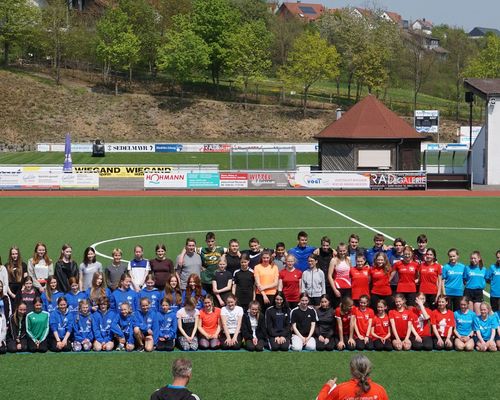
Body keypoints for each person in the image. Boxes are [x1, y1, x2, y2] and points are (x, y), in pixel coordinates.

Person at [316, 355, 389, 400]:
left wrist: (327, 386)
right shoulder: (380, 390)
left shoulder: (341, 389)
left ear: (352, 370)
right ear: (369, 370)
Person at [328, 243, 352, 309]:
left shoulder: (349, 259)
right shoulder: (334, 260)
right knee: (338, 308)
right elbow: (329, 276)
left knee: (347, 307)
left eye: (344, 251)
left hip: (348, 287)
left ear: (346, 250)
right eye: (340, 251)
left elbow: (351, 273)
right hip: (338, 288)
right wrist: (335, 289)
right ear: (338, 251)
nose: (342, 252)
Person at [464, 250, 487, 314]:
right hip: (468, 291)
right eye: (472, 258)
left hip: (478, 292)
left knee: (478, 313)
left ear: (479, 258)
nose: (473, 260)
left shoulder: (483, 269)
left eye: (475, 258)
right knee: (470, 313)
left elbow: (487, 279)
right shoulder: (467, 268)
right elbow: (464, 279)